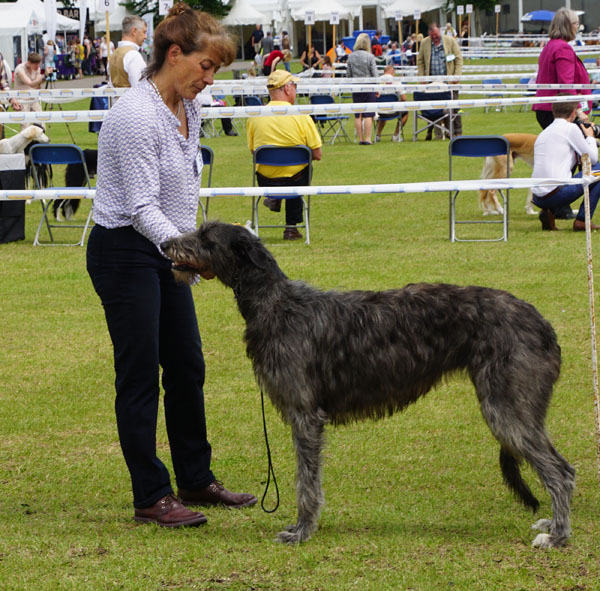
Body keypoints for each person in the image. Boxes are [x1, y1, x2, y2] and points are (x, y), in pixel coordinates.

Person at [86, 3, 257, 529]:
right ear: (175, 54)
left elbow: (181, 193)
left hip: (168, 248)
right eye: (206, 67)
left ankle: (196, 479)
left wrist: (193, 248)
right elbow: (140, 207)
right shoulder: (135, 115)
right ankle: (151, 495)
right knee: (139, 375)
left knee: (186, 366)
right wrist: (195, 254)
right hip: (124, 249)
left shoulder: (188, 108)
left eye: (216, 71)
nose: (209, 80)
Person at [246, 70, 322, 241]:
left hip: (265, 179)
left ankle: (274, 197)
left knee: (289, 169)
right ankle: (291, 227)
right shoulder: (301, 116)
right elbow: (317, 154)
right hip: (296, 179)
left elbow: (253, 152)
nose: (295, 90)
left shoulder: (255, 116)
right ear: (287, 89)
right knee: (304, 168)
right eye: (295, 86)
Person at [531, 98, 600, 232]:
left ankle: (548, 211)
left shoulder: (545, 131)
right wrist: (590, 137)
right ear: (574, 113)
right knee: (599, 170)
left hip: (537, 197)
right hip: (556, 194)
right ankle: (582, 220)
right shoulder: (570, 128)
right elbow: (592, 159)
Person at [533, 8, 592, 130]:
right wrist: (578, 111)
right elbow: (566, 84)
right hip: (559, 111)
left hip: (548, 108)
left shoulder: (550, 46)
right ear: (567, 26)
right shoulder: (562, 48)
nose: (577, 28)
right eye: (576, 24)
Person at [417, 22, 464, 137]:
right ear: (429, 34)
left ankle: (457, 132)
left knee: (454, 108)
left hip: (450, 82)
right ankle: (432, 132)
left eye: (436, 35)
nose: (434, 38)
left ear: (440, 31)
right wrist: (422, 77)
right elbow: (420, 62)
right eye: (432, 36)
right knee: (432, 109)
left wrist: (456, 76)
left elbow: (458, 59)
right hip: (431, 84)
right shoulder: (424, 43)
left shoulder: (450, 41)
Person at [346, 33, 378, 145]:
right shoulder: (370, 57)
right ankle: (368, 138)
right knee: (369, 113)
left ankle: (360, 139)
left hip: (356, 86)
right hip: (369, 86)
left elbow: (348, 74)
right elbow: (375, 74)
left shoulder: (351, 56)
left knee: (358, 114)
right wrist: (377, 87)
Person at [109, 15, 148, 87]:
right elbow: (139, 89)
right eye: (144, 32)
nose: (145, 36)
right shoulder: (133, 55)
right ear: (134, 31)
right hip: (131, 97)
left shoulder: (114, 54)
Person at [375, 65, 408, 143]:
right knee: (405, 113)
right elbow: (403, 98)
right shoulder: (396, 81)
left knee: (382, 116)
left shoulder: (377, 80)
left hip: (379, 110)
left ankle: (378, 135)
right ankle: (396, 135)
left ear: (384, 72)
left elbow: (374, 96)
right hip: (393, 111)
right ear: (393, 73)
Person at [13, 52, 44, 126]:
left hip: (33, 97)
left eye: (39, 64)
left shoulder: (37, 69)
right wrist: (44, 76)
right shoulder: (20, 69)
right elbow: (30, 83)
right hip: (22, 99)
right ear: (29, 62)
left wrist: (43, 79)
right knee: (25, 125)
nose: (38, 66)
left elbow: (36, 87)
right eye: (36, 64)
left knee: (41, 122)